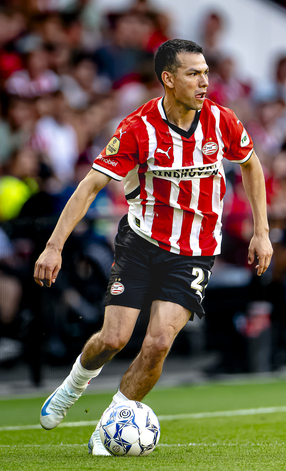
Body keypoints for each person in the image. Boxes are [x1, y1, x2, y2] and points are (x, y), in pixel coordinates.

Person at [35, 39, 273, 455]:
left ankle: (109, 427)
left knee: (159, 341)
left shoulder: (222, 121)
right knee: (114, 338)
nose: (204, 82)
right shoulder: (137, 128)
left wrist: (262, 231)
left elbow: (251, 164)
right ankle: (72, 387)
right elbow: (90, 185)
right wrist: (54, 246)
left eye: (205, 73)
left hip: (195, 250)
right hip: (141, 244)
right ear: (168, 78)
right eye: (193, 74)